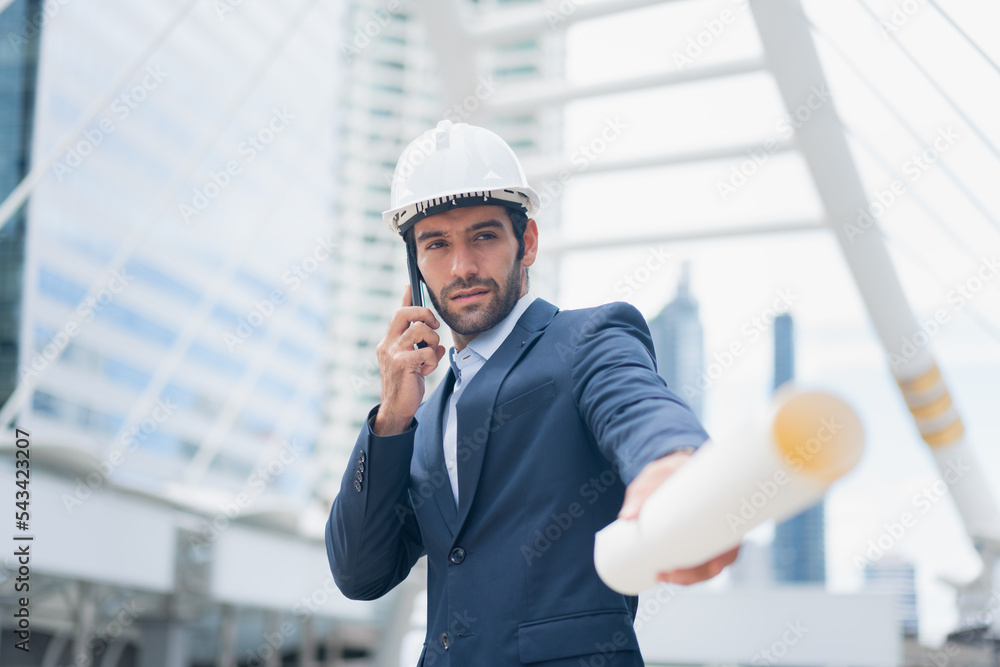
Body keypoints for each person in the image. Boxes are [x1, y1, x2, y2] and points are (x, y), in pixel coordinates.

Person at [326, 120, 738, 666]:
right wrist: (391, 422)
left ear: (529, 242)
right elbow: (360, 573)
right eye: (436, 244)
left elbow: (635, 404)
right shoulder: (420, 419)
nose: (462, 266)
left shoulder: (587, 340)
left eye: (484, 235)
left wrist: (672, 464)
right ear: (416, 265)